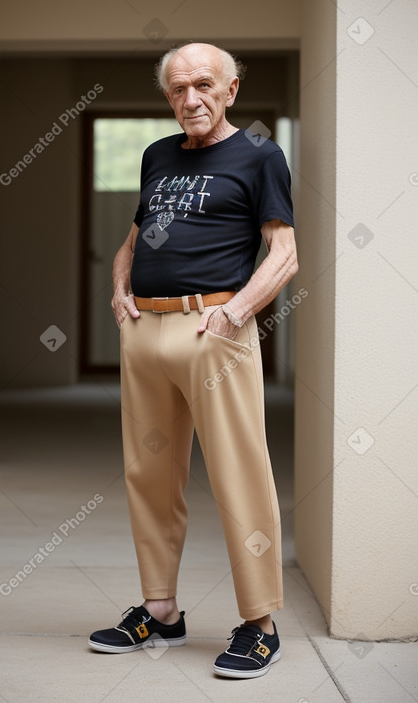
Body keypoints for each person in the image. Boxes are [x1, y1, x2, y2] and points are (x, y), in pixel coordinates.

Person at [88, 42, 298, 679]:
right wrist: (121, 289)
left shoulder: (260, 156)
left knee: (240, 474)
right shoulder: (158, 156)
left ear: (231, 90)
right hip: (145, 330)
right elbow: (134, 235)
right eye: (178, 89)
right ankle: (162, 611)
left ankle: (260, 624)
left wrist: (235, 314)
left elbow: (284, 252)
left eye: (204, 85)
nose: (191, 99)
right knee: (149, 474)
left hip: (214, 330)